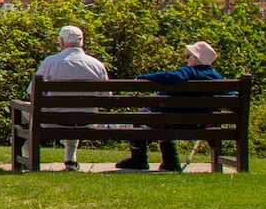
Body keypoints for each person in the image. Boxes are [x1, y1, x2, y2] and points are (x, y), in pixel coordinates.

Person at [118, 41, 224, 172]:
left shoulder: (189, 72)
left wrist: (144, 77)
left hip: (171, 121)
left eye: (189, 56)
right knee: (164, 118)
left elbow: (173, 76)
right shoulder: (217, 78)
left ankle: (139, 160)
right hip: (200, 123)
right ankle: (170, 162)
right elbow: (229, 95)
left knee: (140, 119)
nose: (187, 59)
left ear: (197, 59)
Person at [29, 25, 109, 171]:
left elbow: (32, 92)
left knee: (25, 111)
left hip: (53, 122)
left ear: (61, 42)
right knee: (75, 114)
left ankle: (27, 158)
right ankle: (70, 160)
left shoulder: (50, 62)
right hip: (87, 121)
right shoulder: (97, 65)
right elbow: (106, 97)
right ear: (82, 42)